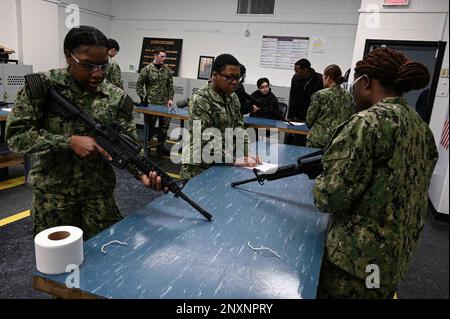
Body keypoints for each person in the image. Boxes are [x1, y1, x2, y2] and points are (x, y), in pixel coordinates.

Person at [313, 48, 438, 299]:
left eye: (355, 84)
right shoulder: (421, 129)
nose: (353, 91)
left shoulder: (366, 124)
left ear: (366, 82)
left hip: (354, 264)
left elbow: (329, 196)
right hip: (392, 259)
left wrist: (319, 183)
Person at [6, 26, 152, 240]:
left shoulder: (117, 98)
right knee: (59, 267)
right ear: (68, 55)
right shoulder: (41, 88)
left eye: (103, 66)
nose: (97, 73)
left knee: (109, 256)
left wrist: (142, 172)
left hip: (99, 196)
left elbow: (125, 145)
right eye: (88, 65)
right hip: (54, 197)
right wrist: (68, 142)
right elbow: (16, 137)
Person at [179, 54, 260, 180]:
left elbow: (239, 128)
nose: (234, 82)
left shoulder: (233, 98)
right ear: (215, 75)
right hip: (198, 167)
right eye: (229, 78)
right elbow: (204, 138)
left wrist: (246, 154)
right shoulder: (201, 99)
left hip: (223, 162)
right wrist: (234, 160)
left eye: (237, 78)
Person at [306, 64, 355, 149]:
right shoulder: (348, 96)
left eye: (323, 77)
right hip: (338, 141)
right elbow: (351, 118)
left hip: (318, 139)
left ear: (328, 78)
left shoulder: (320, 94)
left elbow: (310, 119)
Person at [136, 47, 174, 155]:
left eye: (165, 56)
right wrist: (143, 98)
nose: (164, 58)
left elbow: (170, 85)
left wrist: (170, 99)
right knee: (150, 127)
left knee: (164, 127)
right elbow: (139, 85)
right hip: (151, 104)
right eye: (162, 56)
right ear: (155, 55)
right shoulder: (147, 69)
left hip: (164, 103)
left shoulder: (167, 70)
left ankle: (160, 147)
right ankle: (147, 147)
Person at [286, 58, 323, 145]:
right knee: (297, 142)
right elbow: (293, 97)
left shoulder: (319, 79)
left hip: (314, 119)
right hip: (298, 117)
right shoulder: (295, 78)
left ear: (305, 70)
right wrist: (290, 117)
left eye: (297, 71)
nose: (295, 73)